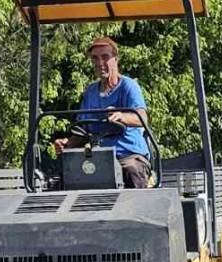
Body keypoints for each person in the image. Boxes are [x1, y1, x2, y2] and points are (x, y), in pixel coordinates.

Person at [55, 37, 152, 188]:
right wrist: (67, 144)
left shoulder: (128, 87)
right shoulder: (91, 92)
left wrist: (122, 116)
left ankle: (138, 211)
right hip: (97, 156)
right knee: (65, 175)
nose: (100, 63)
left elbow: (142, 118)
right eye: (95, 58)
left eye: (105, 57)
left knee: (132, 170)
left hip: (127, 153)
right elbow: (83, 131)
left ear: (115, 59)